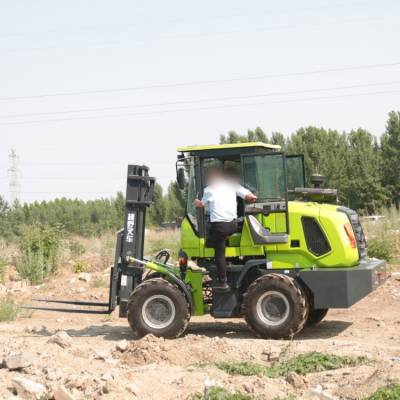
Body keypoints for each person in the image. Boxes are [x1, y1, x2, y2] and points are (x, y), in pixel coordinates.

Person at [194, 167, 257, 289]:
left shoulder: (209, 190)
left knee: (219, 252)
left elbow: (202, 204)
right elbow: (249, 196)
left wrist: (197, 203)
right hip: (232, 226)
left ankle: (223, 281)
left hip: (219, 227)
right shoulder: (232, 185)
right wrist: (253, 198)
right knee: (220, 239)